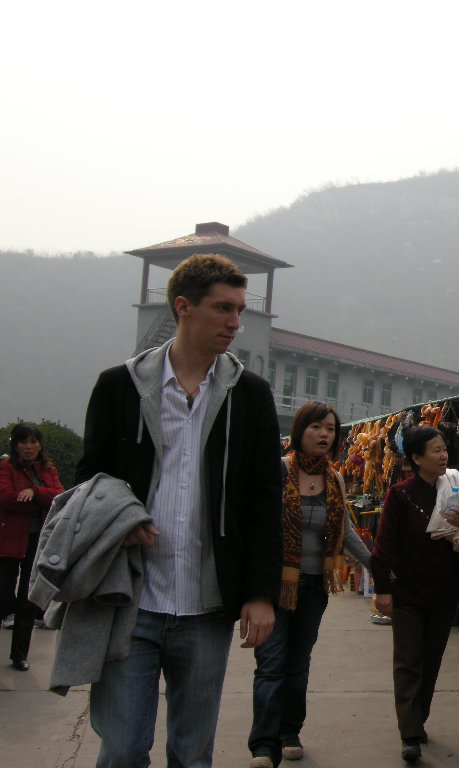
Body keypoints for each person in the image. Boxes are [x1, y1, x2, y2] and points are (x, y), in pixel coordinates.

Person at [75, 253, 283, 768]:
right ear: (183, 307)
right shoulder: (118, 387)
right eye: (222, 308)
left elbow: (262, 503)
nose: (236, 322)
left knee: (192, 754)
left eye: (239, 309)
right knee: (122, 748)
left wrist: (260, 593)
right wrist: (119, 520)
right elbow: (89, 481)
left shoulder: (250, 396)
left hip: (206, 606)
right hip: (130, 598)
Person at [249, 401, 372, 768]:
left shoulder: (334, 479)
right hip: (275, 587)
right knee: (270, 664)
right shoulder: (278, 471)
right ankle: (263, 746)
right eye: (317, 427)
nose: (324, 434)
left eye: (331, 429)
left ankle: (290, 731)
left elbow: (346, 531)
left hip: (314, 588)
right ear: (300, 430)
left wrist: (376, 564)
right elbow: (257, 527)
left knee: (298, 665)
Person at [371, 425, 459, 763]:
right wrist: (383, 590)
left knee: (431, 663)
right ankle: (410, 734)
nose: (443, 455)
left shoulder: (456, 487)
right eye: (435, 450)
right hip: (407, 592)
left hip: (443, 592)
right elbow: (384, 545)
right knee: (408, 664)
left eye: (444, 448)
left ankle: (418, 720)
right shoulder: (401, 494)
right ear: (417, 458)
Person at [0, 422, 64, 670]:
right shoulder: (5, 468)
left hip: (38, 541)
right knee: (4, 591)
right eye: (24, 442)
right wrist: (36, 500)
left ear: (40, 445)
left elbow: (59, 496)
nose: (29, 447)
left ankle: (19, 655)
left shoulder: (48, 470)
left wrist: (34, 492)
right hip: (9, 539)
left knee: (28, 598)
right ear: (15, 445)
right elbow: (6, 498)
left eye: (33, 441)